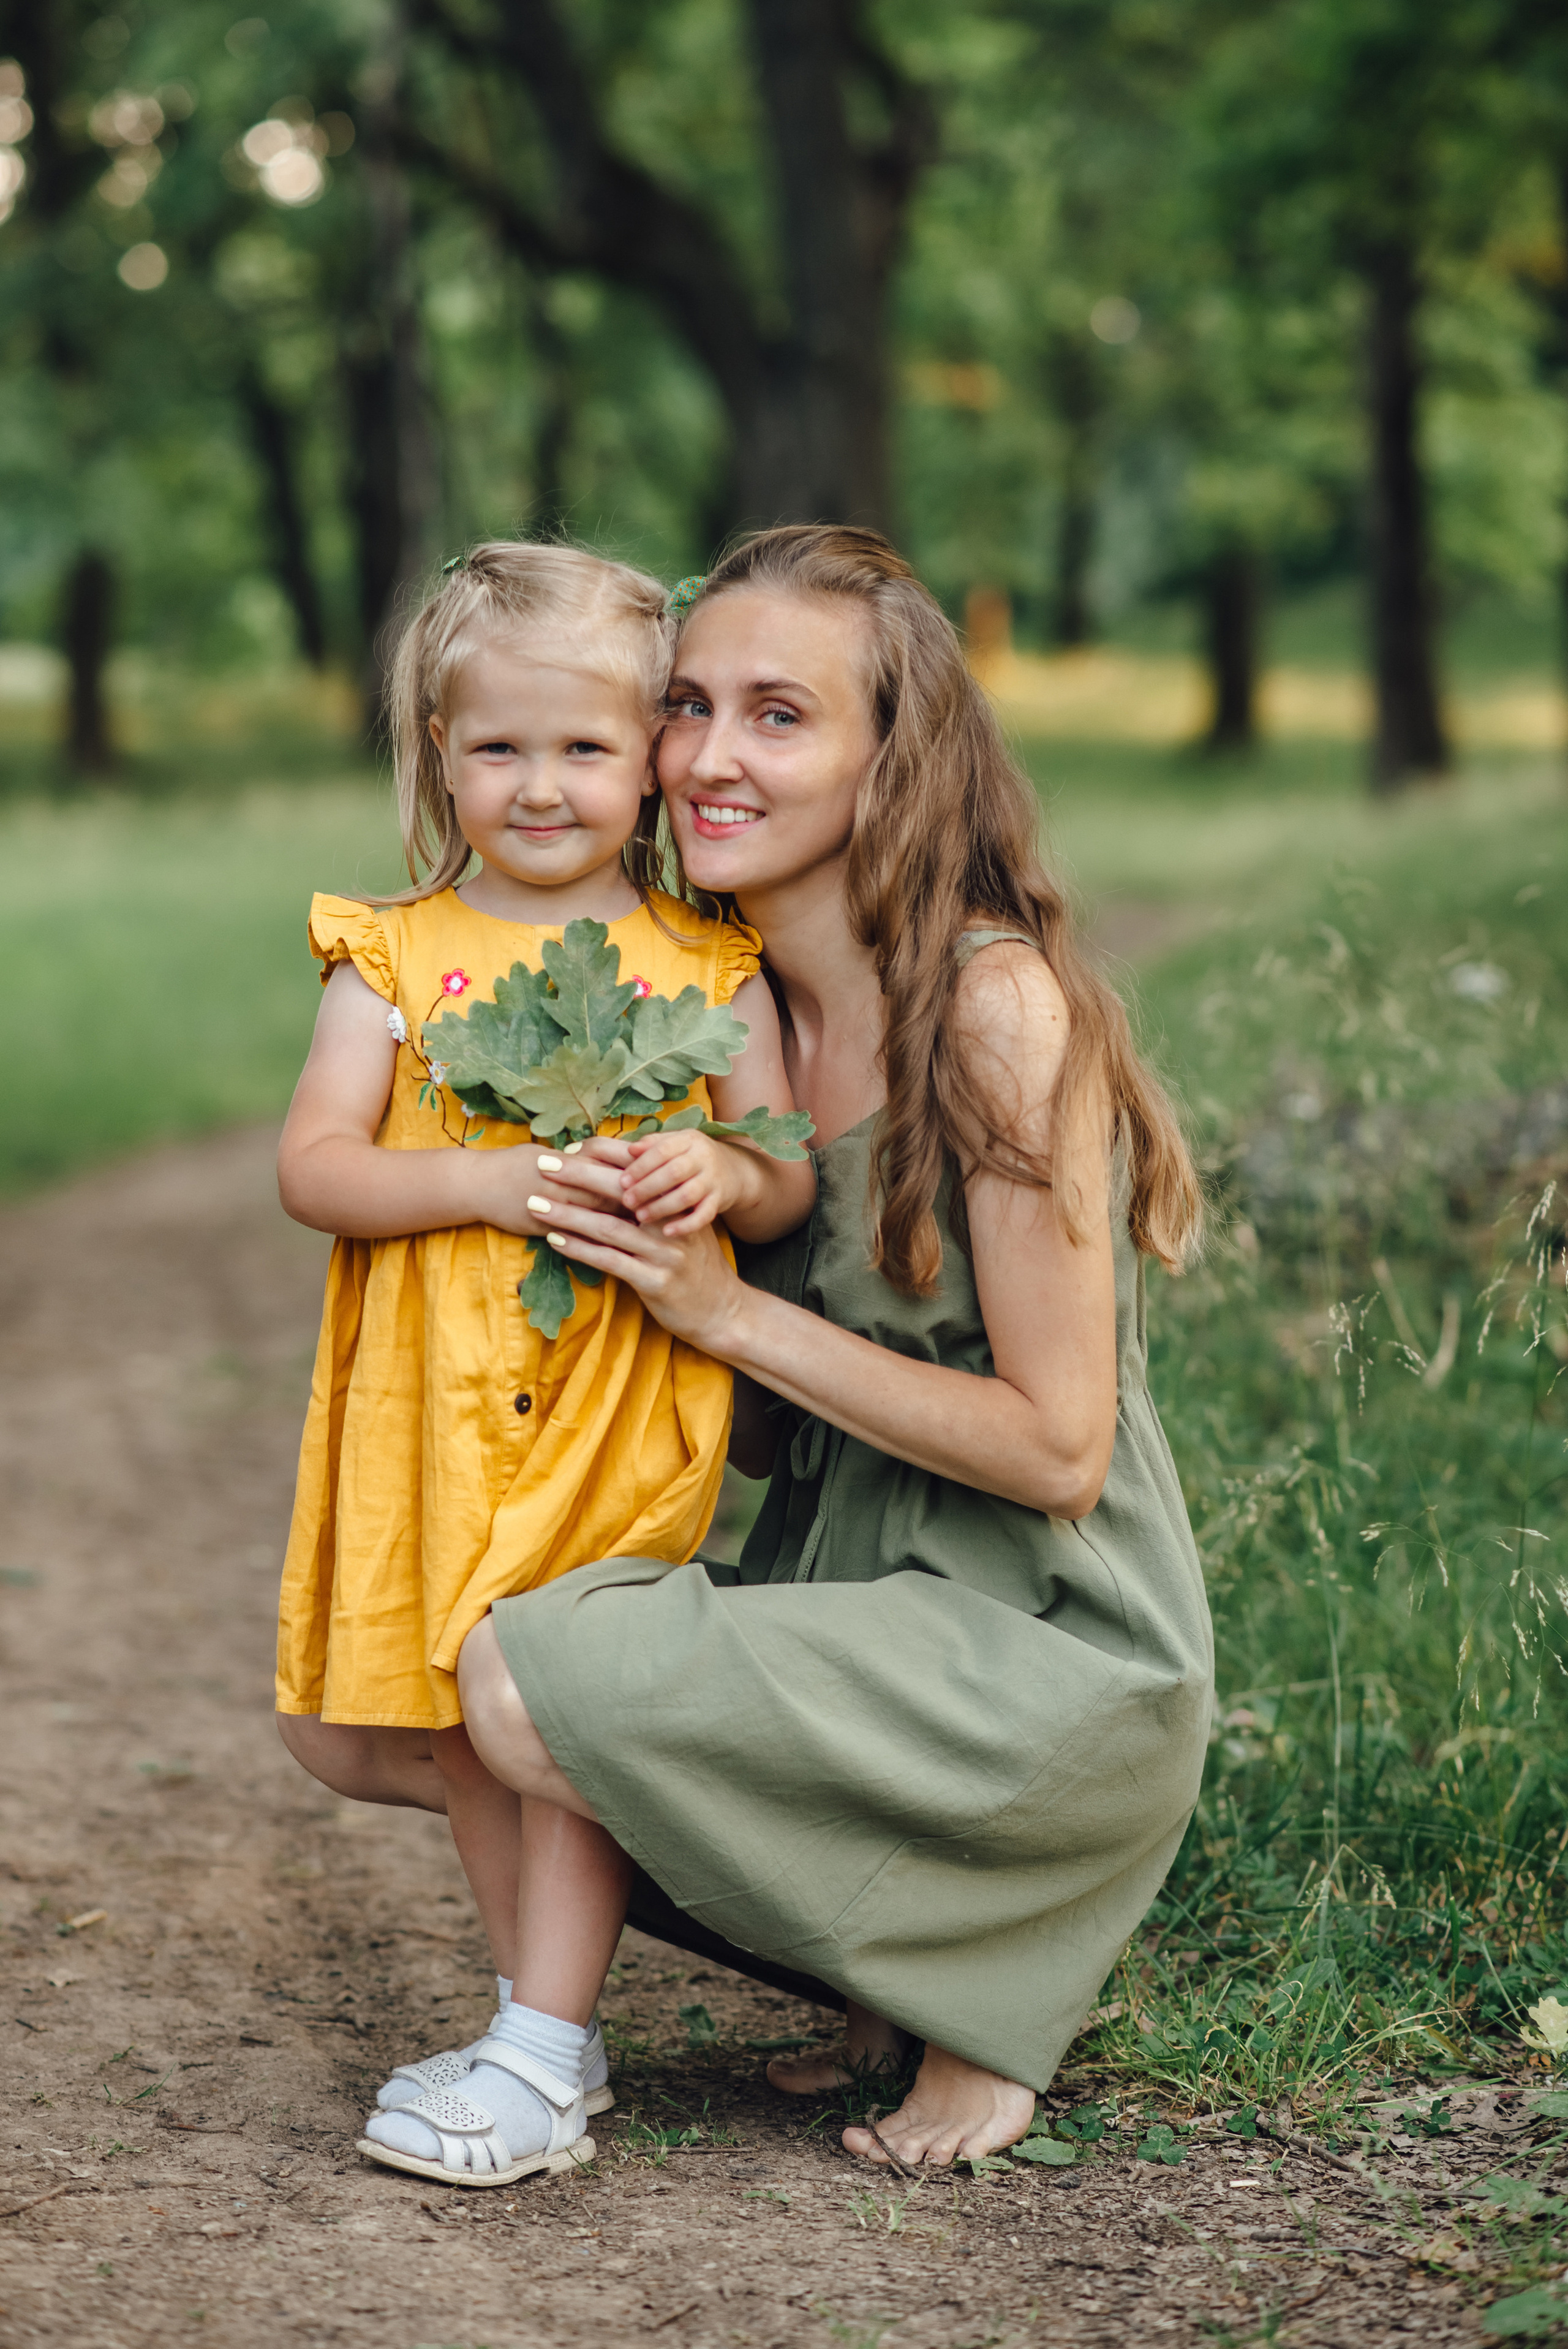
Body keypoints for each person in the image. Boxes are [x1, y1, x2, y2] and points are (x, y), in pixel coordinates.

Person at [456, 523, 1215, 2169]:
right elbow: (718, 1413)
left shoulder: (996, 1013)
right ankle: (882, 1961)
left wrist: (723, 1308)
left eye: (781, 716)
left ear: (895, 757)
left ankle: (981, 1990)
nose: (712, 757)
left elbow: (1057, 1446)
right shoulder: (724, 1017)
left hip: (1047, 1647)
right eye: (690, 705)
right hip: (851, 1589)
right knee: (415, 1704)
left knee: (526, 1689)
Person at [271, 542, 815, 2187]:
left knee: (556, 1699)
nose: (543, 783)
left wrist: (721, 1175)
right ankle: (541, 2025)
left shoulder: (704, 969)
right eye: (500, 746)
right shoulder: (392, 954)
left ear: (652, 750)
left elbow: (784, 1165)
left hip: (612, 1404)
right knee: (461, 1719)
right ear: (441, 746)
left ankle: (541, 2047)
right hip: (428, 1409)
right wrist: (484, 1179)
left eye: (586, 747)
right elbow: (317, 1166)